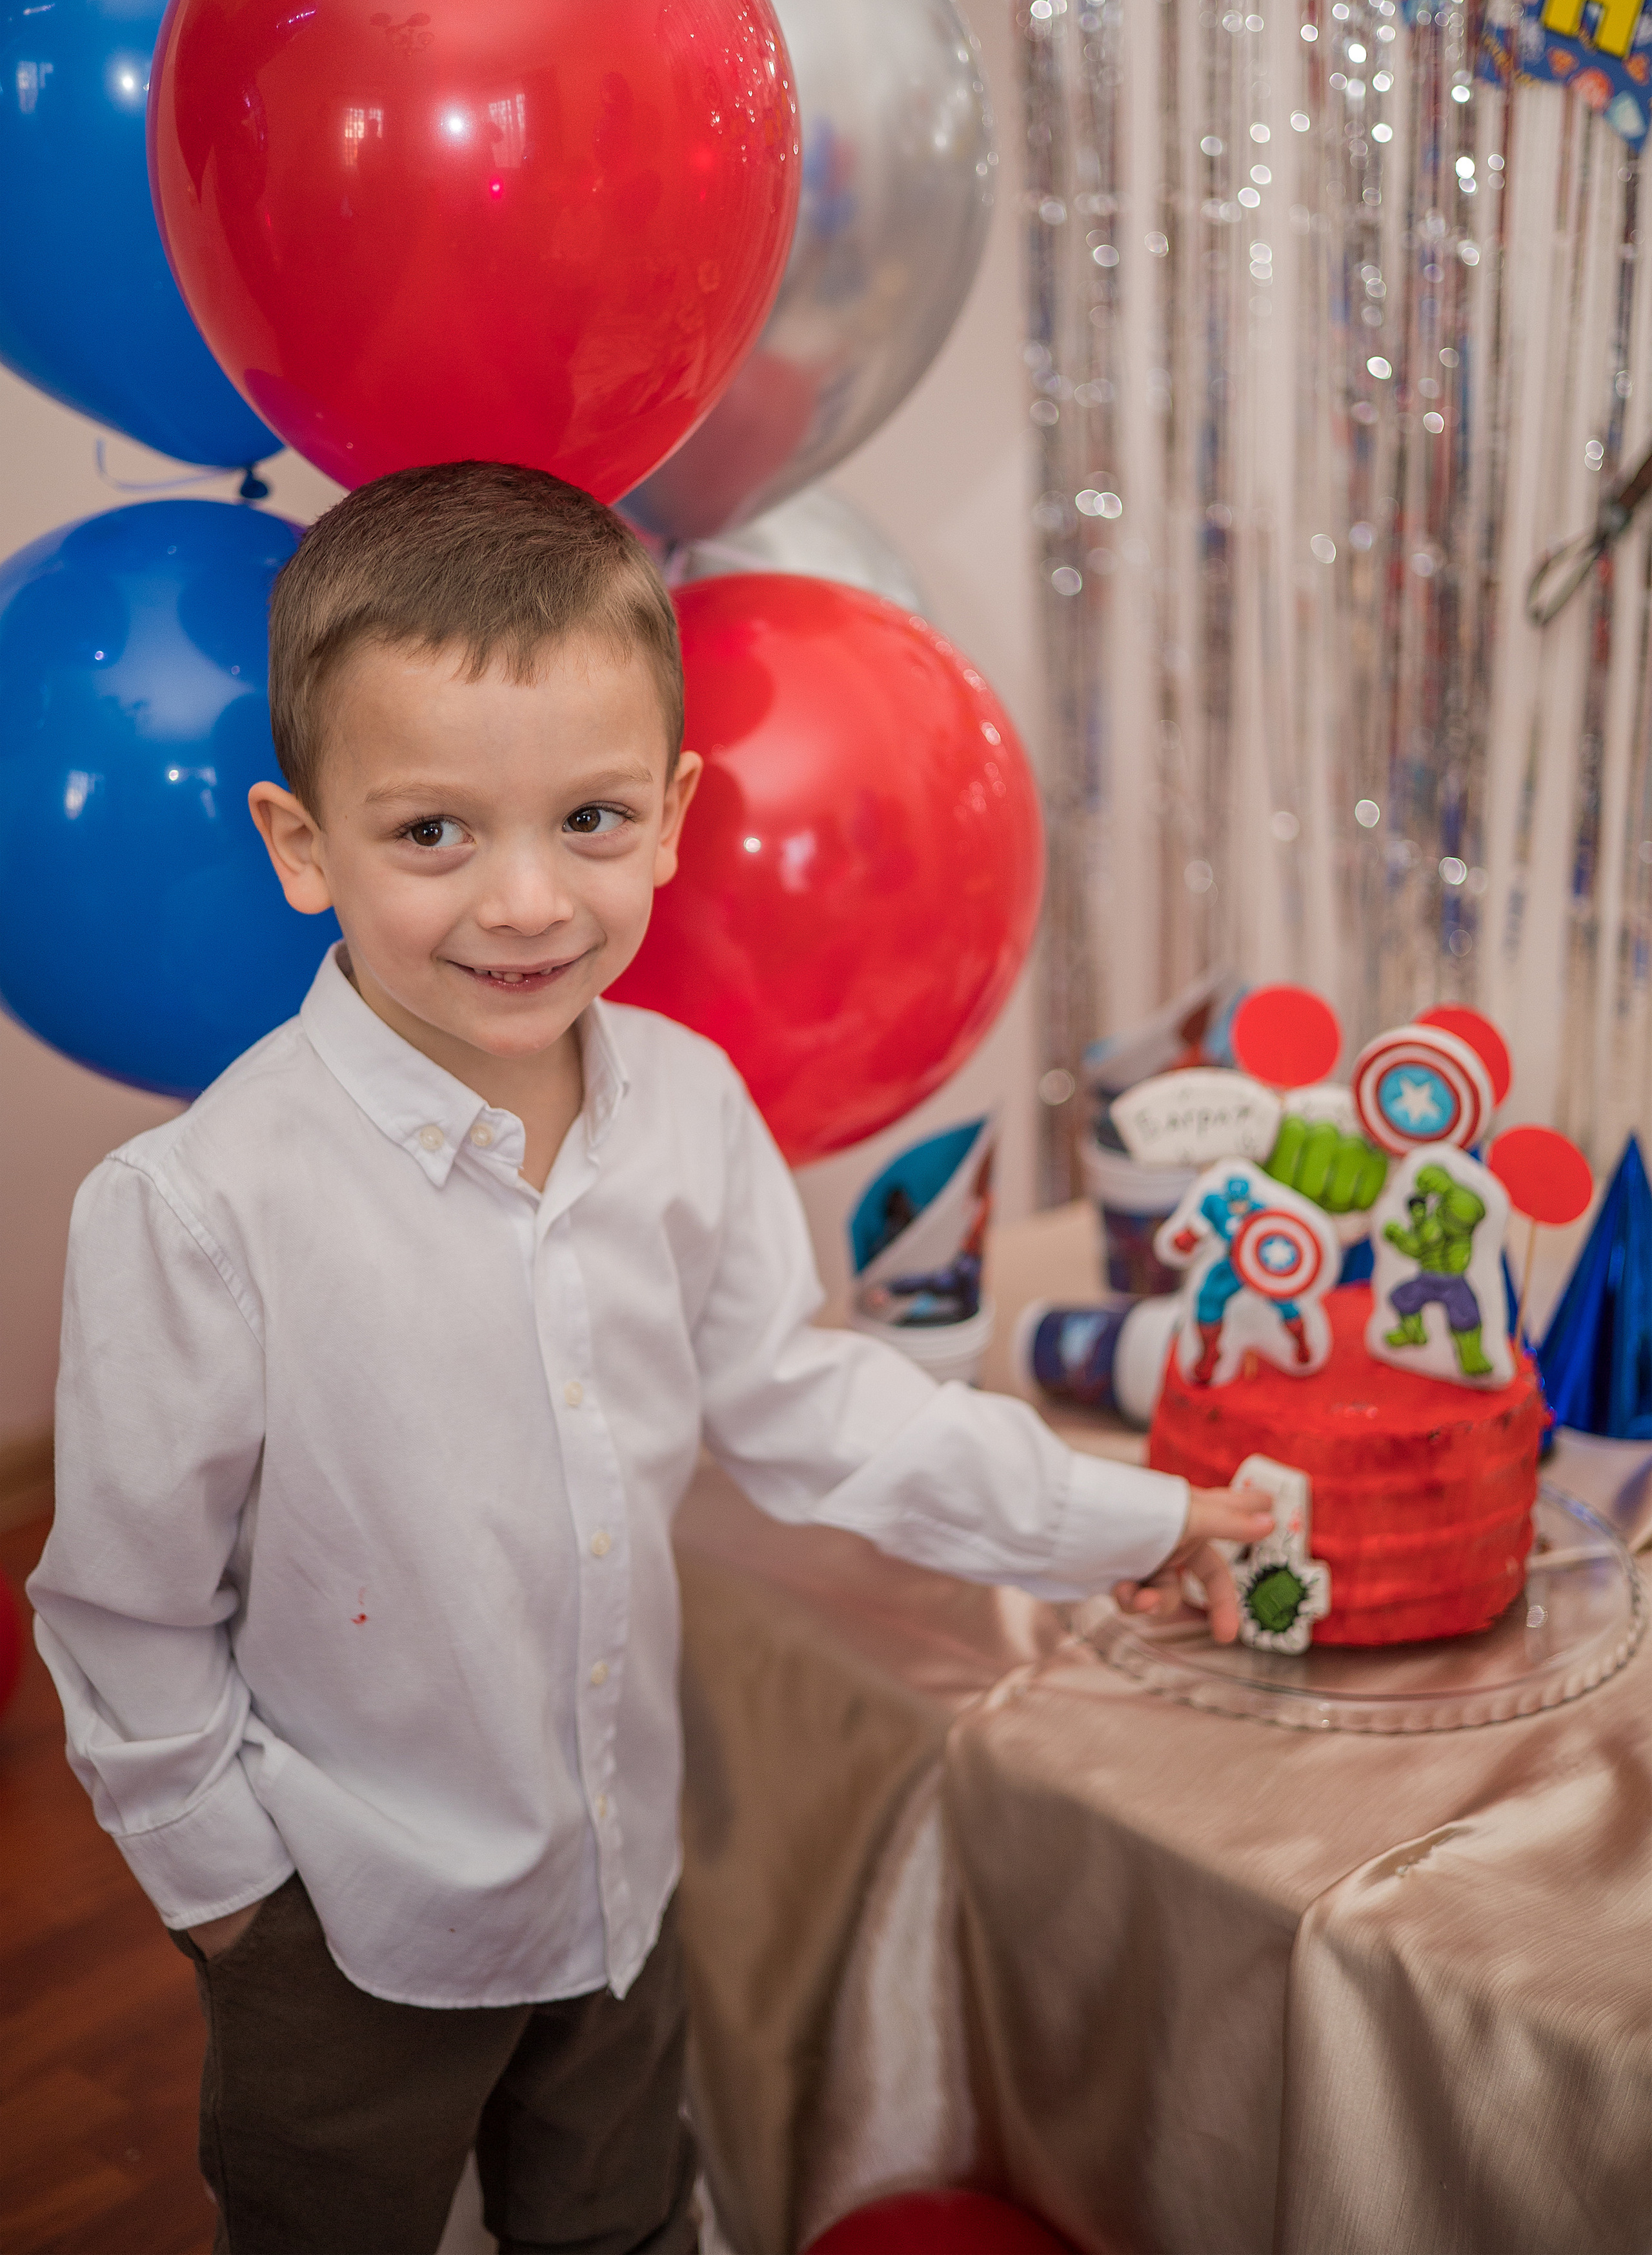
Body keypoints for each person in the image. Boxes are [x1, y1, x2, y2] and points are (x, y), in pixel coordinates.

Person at [27, 463, 1269, 2255]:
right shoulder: (197, 1207)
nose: (527, 903)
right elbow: (127, 1613)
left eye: (591, 820)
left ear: (676, 814)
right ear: (304, 846)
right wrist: (237, 1905)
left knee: (620, 2226)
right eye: (434, 832)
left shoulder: (687, 1110)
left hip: (613, 1888)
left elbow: (811, 1408)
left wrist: (1129, 1520)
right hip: (347, 1925)